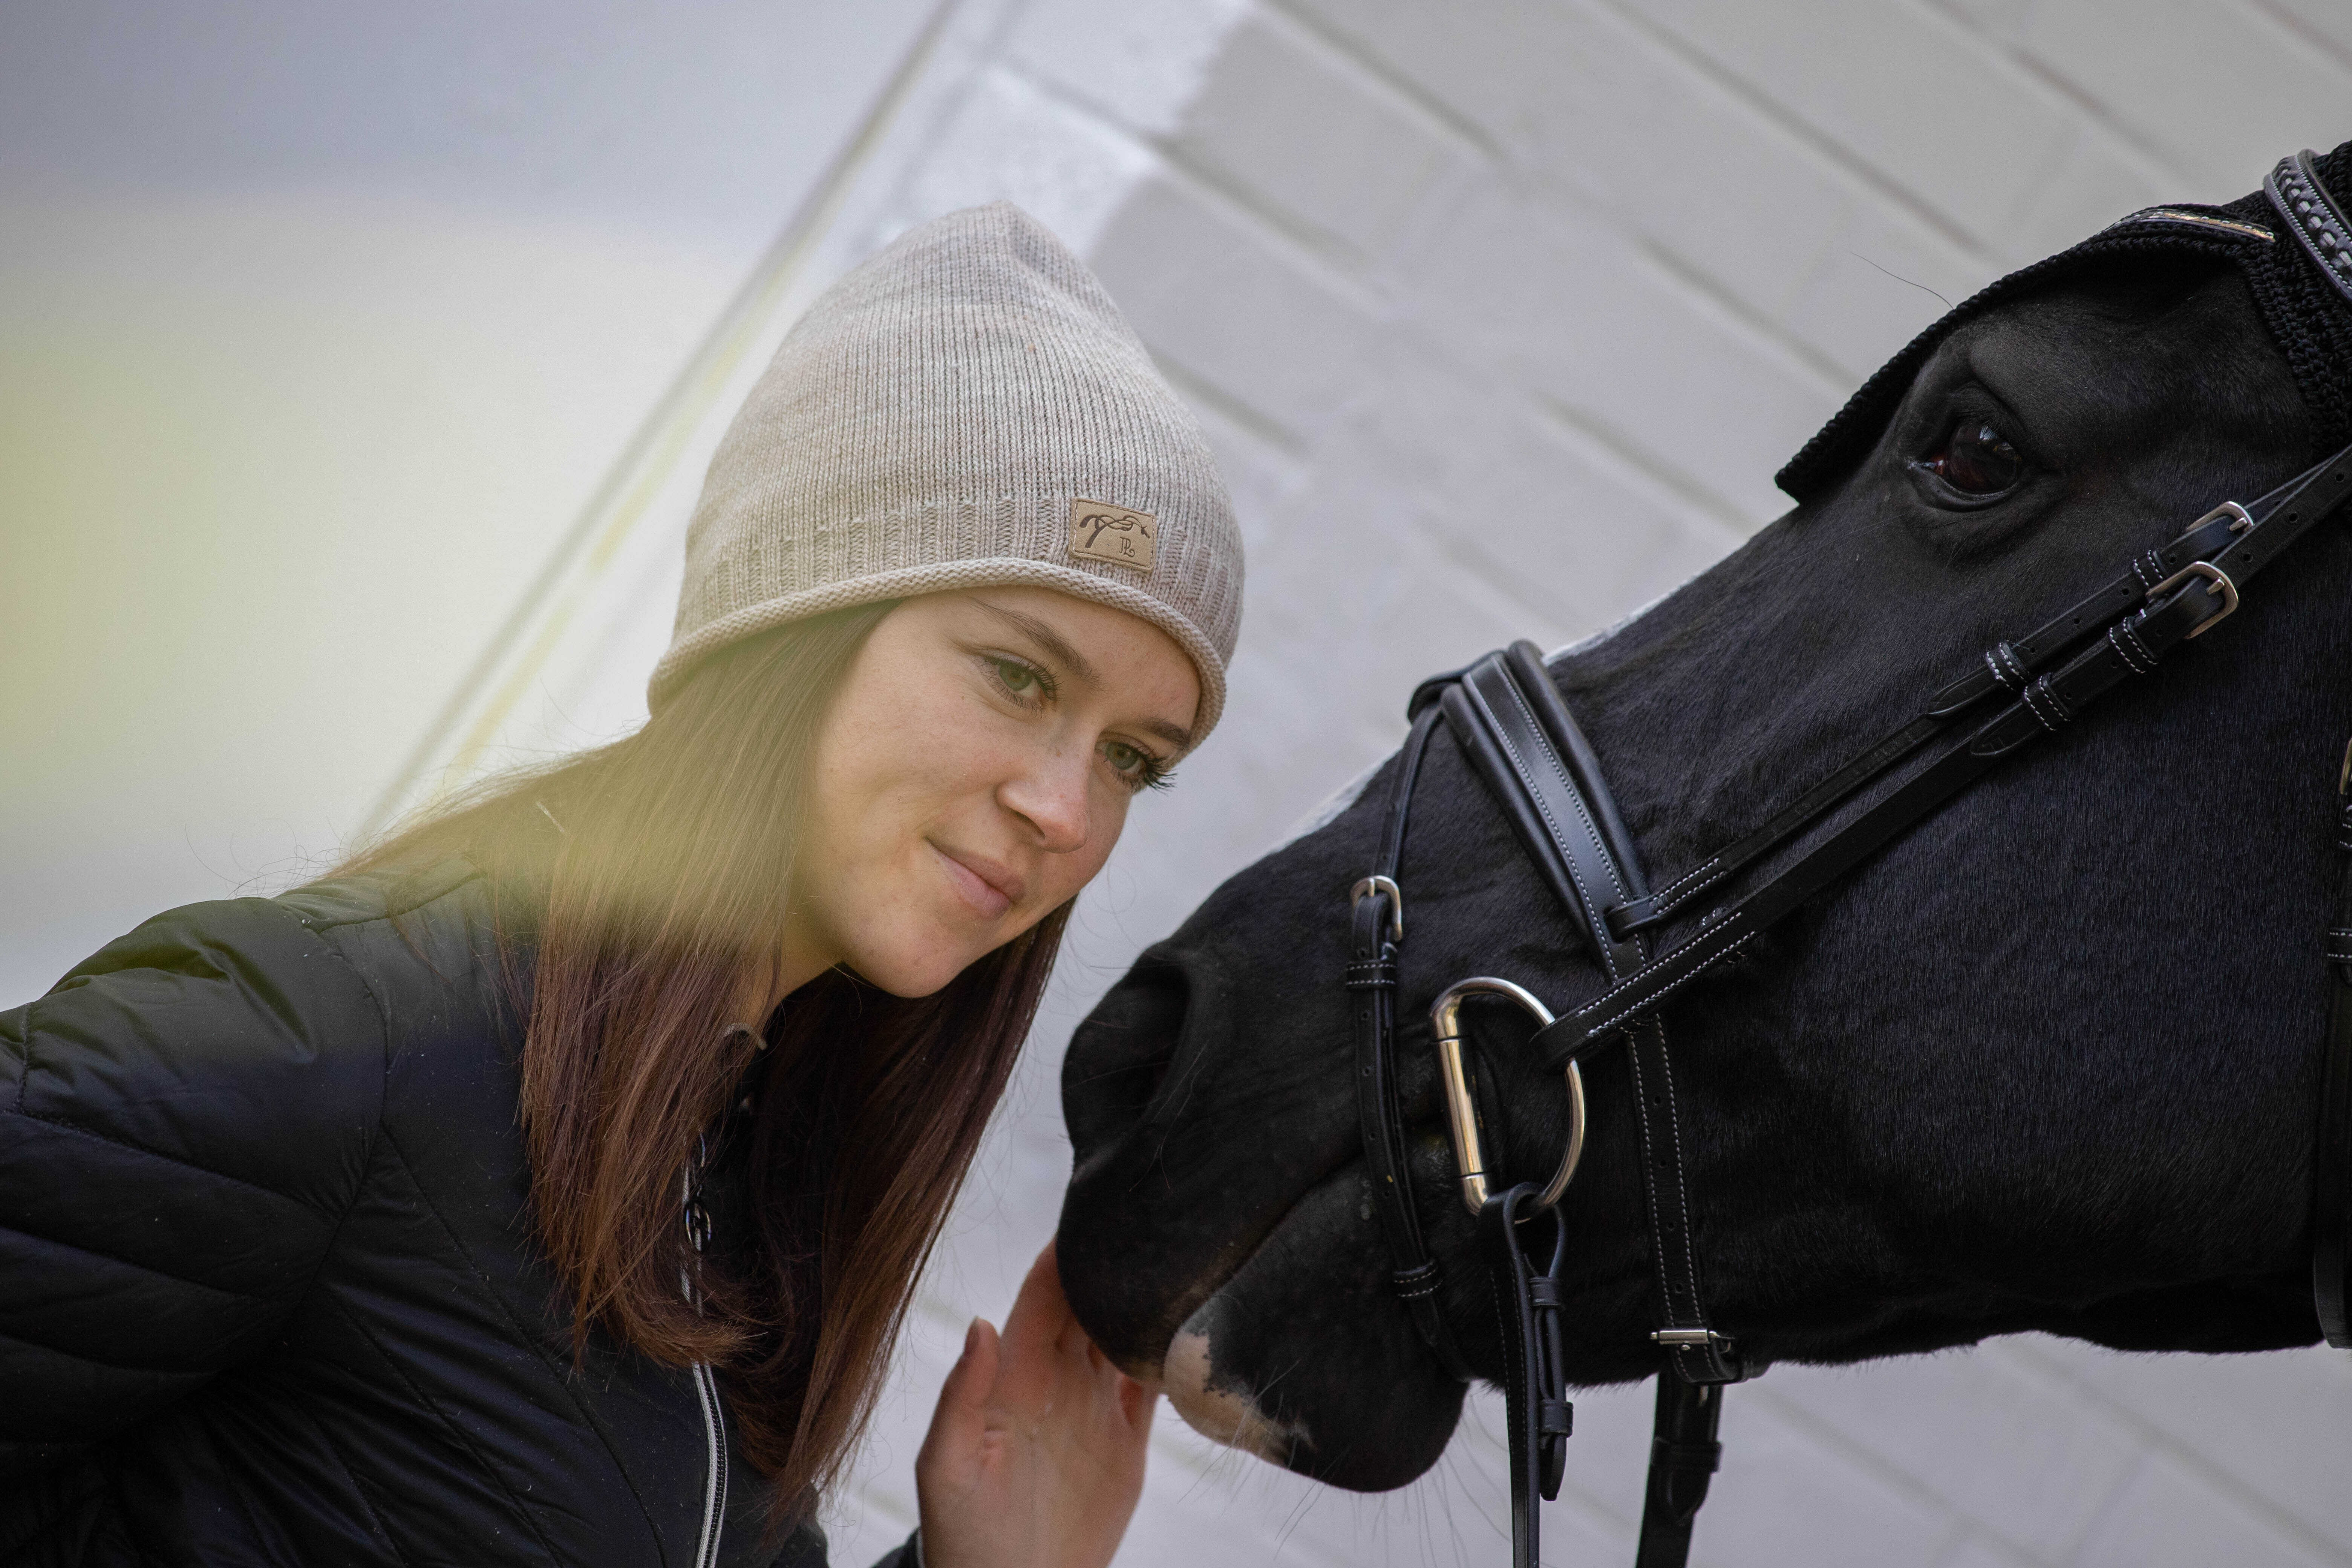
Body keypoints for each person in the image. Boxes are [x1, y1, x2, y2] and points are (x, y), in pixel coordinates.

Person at [0, 202, 1244, 1568]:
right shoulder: (331, 1036)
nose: (1064, 809)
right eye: (1019, 675)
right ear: (797, 622)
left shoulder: (740, 1201)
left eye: (1136, 757)